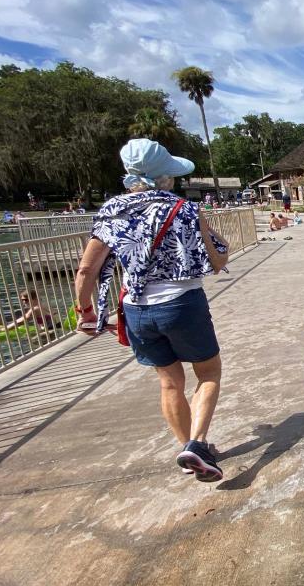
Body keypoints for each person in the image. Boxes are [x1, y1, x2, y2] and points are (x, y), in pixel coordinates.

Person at [74, 138, 230, 482]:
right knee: (208, 374)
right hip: (181, 303)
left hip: (136, 309)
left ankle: (188, 448)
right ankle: (198, 443)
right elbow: (217, 259)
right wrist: (219, 247)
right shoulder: (184, 210)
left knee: (170, 383)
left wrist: (85, 311)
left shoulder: (112, 210)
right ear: (164, 177)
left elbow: (86, 270)